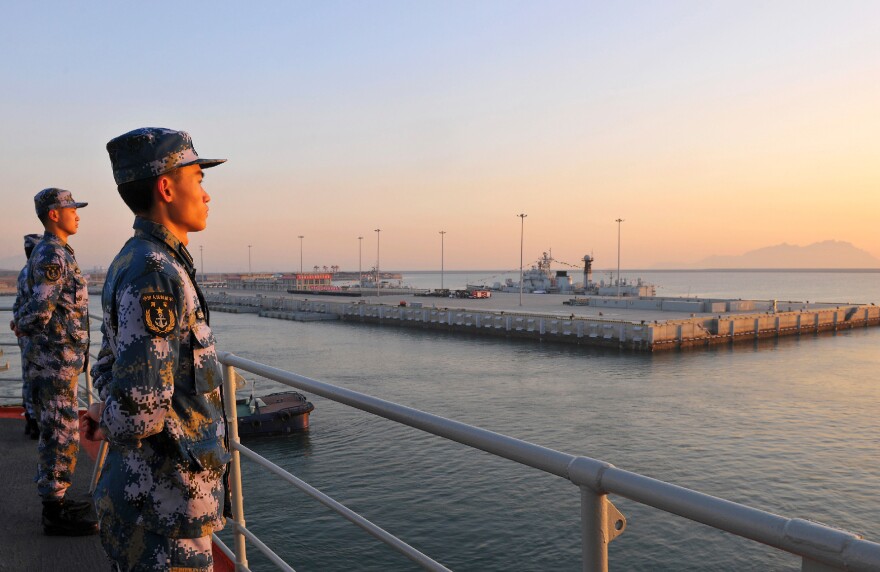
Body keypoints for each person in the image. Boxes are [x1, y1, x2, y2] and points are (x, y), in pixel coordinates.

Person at [85, 127, 230, 571]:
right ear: (166, 187)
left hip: (152, 500)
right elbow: (139, 412)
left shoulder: (136, 259)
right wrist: (109, 414)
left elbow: (109, 365)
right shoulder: (156, 274)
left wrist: (101, 410)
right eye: (198, 180)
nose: (207, 195)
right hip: (166, 509)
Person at [12, 188, 97, 536]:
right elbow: (41, 309)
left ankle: (57, 499)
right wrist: (22, 325)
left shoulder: (56, 252)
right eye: (71, 208)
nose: (77, 214)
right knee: (60, 433)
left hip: (58, 359)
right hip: (55, 361)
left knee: (59, 431)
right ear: (53, 214)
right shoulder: (53, 255)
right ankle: (54, 511)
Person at [10, 233, 43, 438]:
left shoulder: (23, 273)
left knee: (27, 377)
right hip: (35, 336)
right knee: (38, 379)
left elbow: (17, 304)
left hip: (24, 336)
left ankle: (30, 420)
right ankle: (36, 422)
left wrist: (17, 323)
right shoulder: (35, 274)